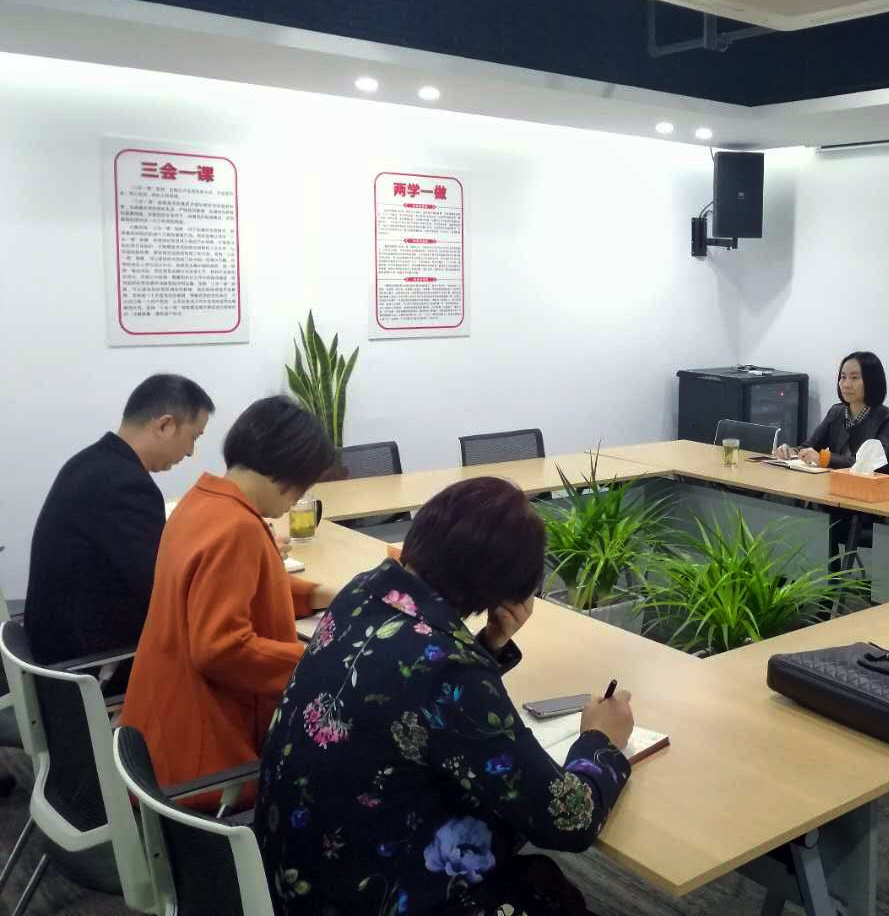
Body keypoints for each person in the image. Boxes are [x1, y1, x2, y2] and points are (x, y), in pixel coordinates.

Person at [256, 477, 635, 916]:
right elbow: (567, 821)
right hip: (369, 894)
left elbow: (412, 703)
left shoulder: (363, 593)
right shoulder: (450, 672)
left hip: (289, 879)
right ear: (507, 589)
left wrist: (488, 646)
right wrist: (601, 741)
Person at [119, 396, 335, 799]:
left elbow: (237, 585)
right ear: (289, 475)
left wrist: (319, 594)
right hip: (205, 760)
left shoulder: (201, 501)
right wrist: (318, 662)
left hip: (159, 735)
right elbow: (220, 648)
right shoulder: (238, 527)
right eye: (304, 486)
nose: (296, 500)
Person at [26, 374, 213, 670]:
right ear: (165, 425)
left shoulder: (91, 462)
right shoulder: (126, 485)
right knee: (220, 652)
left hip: (58, 644)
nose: (190, 452)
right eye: (194, 437)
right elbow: (163, 589)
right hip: (89, 663)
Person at [778, 351, 889, 474]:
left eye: (854, 378)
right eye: (843, 377)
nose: (846, 384)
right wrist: (792, 451)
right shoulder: (836, 412)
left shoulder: (888, 419)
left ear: (872, 381)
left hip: (879, 484)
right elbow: (810, 446)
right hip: (839, 481)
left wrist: (824, 458)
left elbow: (867, 465)